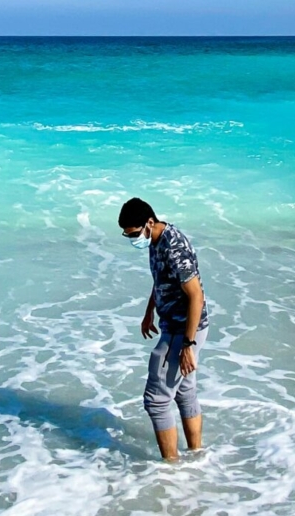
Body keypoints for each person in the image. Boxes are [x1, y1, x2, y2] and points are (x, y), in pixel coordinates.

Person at [118, 197, 210, 461]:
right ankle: (197, 456)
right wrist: (150, 311)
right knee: (184, 391)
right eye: (127, 235)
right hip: (175, 324)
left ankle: (171, 471)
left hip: (183, 329)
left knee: (156, 401)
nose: (133, 239)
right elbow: (161, 278)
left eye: (134, 233)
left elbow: (196, 296)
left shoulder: (173, 247)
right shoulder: (156, 239)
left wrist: (188, 346)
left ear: (149, 222)